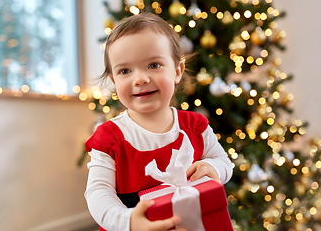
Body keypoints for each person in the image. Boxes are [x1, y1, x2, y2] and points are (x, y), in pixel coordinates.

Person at [84, 12, 233, 231]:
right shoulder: (110, 138)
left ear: (177, 71)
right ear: (115, 80)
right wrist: (128, 220)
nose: (140, 79)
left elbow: (223, 161)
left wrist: (213, 167)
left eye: (153, 65)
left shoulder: (196, 127)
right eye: (125, 71)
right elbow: (98, 192)